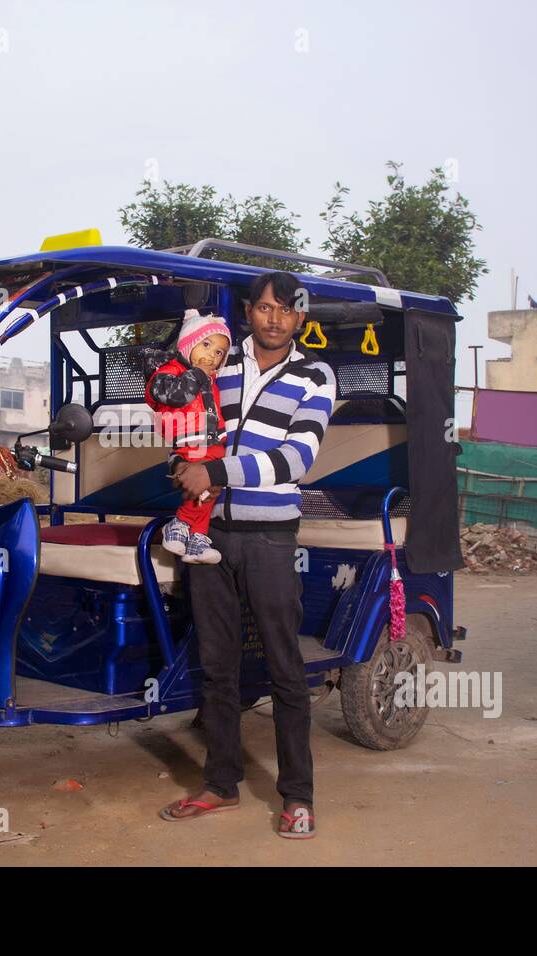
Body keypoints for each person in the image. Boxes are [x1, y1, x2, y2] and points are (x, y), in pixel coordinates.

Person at [159, 271, 335, 839]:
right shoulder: (220, 363)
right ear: (248, 314)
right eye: (264, 308)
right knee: (217, 668)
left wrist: (214, 470)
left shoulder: (315, 375)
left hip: (269, 539)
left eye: (285, 310)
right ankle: (221, 784)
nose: (274, 318)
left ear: (300, 319)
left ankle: (298, 796)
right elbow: (189, 425)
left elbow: (296, 458)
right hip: (208, 535)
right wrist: (183, 459)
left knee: (285, 670)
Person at [144, 309, 232, 564]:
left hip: (210, 442)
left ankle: (197, 538)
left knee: (211, 489)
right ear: (188, 344)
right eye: (206, 345)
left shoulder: (208, 379)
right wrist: (197, 374)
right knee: (205, 483)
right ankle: (180, 523)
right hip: (189, 442)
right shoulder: (170, 370)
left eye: (218, 353)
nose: (211, 356)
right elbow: (171, 396)